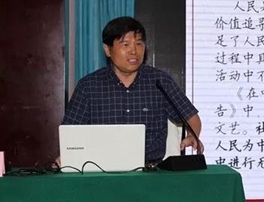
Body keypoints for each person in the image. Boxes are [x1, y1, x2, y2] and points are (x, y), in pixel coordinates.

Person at [62, 16, 203, 163]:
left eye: (139, 44)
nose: (134, 51)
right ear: (108, 50)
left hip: (150, 169)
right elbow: (69, 132)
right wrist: (68, 156)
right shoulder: (89, 86)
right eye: (125, 45)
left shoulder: (160, 81)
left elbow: (192, 118)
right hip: (101, 168)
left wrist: (192, 136)